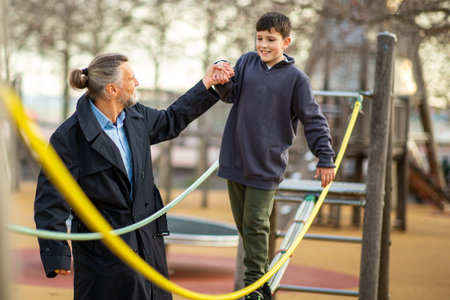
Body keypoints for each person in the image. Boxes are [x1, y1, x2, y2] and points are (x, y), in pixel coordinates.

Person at [34, 53, 233, 300]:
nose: (137, 82)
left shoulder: (136, 116)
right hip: (104, 258)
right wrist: (56, 255)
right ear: (112, 89)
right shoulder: (69, 137)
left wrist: (207, 83)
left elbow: (172, 119)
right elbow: (50, 200)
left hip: (148, 245)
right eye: (131, 78)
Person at [212, 12, 336, 300]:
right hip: (234, 158)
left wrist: (325, 157)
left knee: (256, 223)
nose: (263, 45)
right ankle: (261, 275)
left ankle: (255, 286)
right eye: (259, 38)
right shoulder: (246, 62)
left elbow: (313, 119)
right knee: (246, 226)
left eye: (270, 39)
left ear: (286, 42)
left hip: (266, 165)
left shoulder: (296, 79)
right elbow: (229, 95)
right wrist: (221, 75)